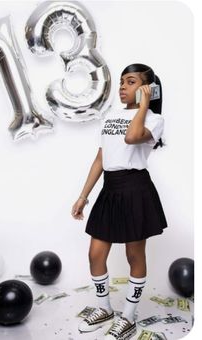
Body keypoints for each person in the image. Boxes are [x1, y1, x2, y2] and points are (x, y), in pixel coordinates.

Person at [71, 63, 168, 340]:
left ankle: (128, 317)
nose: (123, 87)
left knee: (133, 255)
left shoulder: (153, 120)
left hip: (135, 188)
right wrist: (83, 196)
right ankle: (104, 309)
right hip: (109, 188)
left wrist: (145, 104)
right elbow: (101, 158)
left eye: (132, 82)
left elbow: (131, 137)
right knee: (95, 254)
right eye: (122, 82)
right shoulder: (110, 116)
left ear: (148, 88)